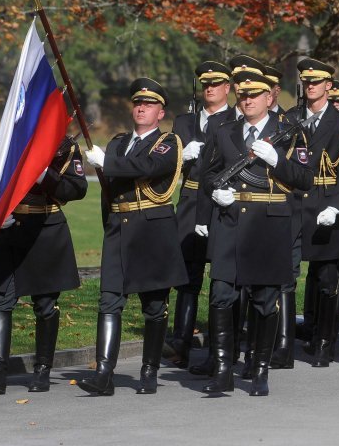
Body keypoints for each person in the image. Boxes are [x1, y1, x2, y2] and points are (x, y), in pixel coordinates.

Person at [199, 68, 313, 396]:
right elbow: (208, 174)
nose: (248, 100)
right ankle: (223, 370)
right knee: (222, 295)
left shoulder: (289, 132)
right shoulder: (224, 131)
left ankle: (260, 368)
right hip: (230, 221)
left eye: (255, 95)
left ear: (269, 97)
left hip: (269, 221)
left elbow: (305, 180)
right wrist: (214, 193)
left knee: (265, 300)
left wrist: (278, 160)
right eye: (243, 95)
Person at [79, 78, 188, 395]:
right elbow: (109, 194)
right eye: (138, 103)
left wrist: (108, 162)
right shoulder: (117, 142)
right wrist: (108, 224)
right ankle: (104, 374)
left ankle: (150, 370)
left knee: (154, 305)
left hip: (151, 229)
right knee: (109, 301)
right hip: (118, 227)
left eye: (150, 104)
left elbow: (148, 166)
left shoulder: (168, 143)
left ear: (160, 112)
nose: (142, 108)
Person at [0, 135, 88, 394]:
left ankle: (42, 369)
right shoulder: (2, 138)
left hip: (45, 228)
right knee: (0, 300)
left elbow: (76, 189)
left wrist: (44, 175)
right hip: (10, 228)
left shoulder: (64, 145)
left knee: (45, 304)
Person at [281, 58, 339, 369]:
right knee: (285, 275)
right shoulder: (289, 118)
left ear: (329, 86)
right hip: (294, 202)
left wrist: (337, 205)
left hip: (326, 201)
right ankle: (283, 344)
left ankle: (324, 342)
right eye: (306, 81)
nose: (310, 85)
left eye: (317, 81)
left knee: (328, 278)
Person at [165, 61, 235, 369]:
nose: (210, 88)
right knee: (188, 275)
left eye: (217, 84)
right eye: (206, 84)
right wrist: (179, 155)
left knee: (222, 274)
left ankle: (220, 346)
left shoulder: (237, 119)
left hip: (222, 199)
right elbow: (166, 166)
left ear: (227, 88)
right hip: (192, 198)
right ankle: (181, 340)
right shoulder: (184, 122)